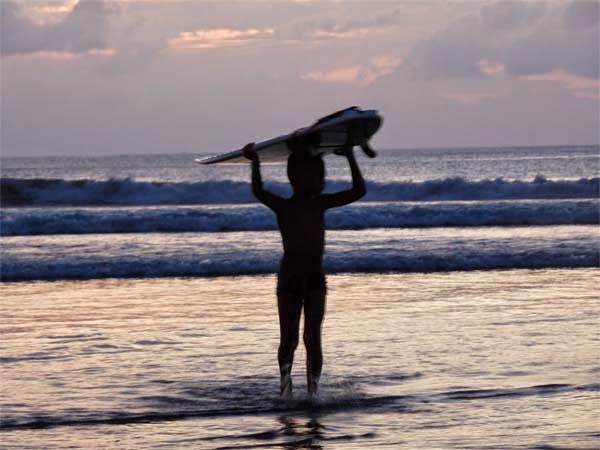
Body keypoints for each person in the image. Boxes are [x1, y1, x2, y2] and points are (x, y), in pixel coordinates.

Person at [243, 132, 366, 398]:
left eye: (321, 176)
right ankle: (285, 390)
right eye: (317, 175)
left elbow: (359, 191)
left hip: (315, 279)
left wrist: (351, 156)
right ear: (297, 177)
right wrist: (255, 162)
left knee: (313, 339)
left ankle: (313, 393)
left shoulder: (320, 203)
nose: (321, 181)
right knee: (289, 339)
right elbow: (258, 190)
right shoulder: (284, 206)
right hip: (289, 280)